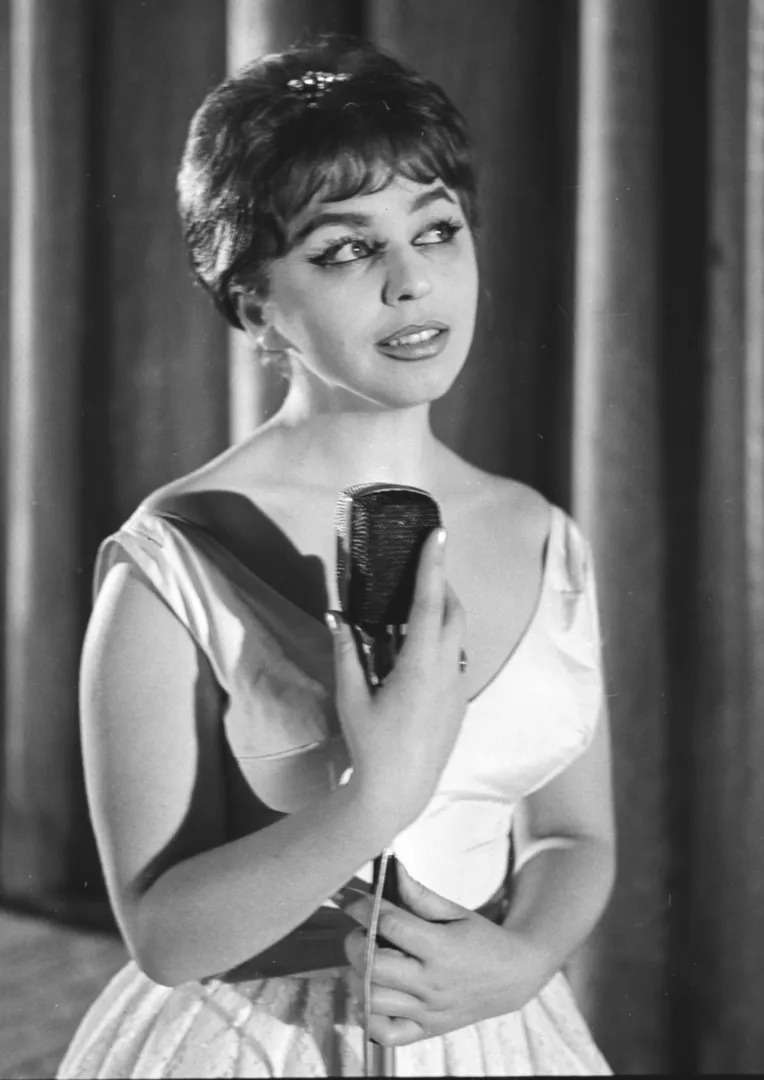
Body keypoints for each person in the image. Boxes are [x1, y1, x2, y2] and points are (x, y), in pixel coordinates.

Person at [58, 33, 615, 1078]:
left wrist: (524, 960)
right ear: (254, 304)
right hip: (251, 1042)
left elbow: (574, 836)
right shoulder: (170, 561)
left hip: (492, 1029)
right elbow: (163, 936)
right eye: (345, 250)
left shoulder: (541, 532)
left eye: (436, 230)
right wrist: (374, 802)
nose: (413, 282)